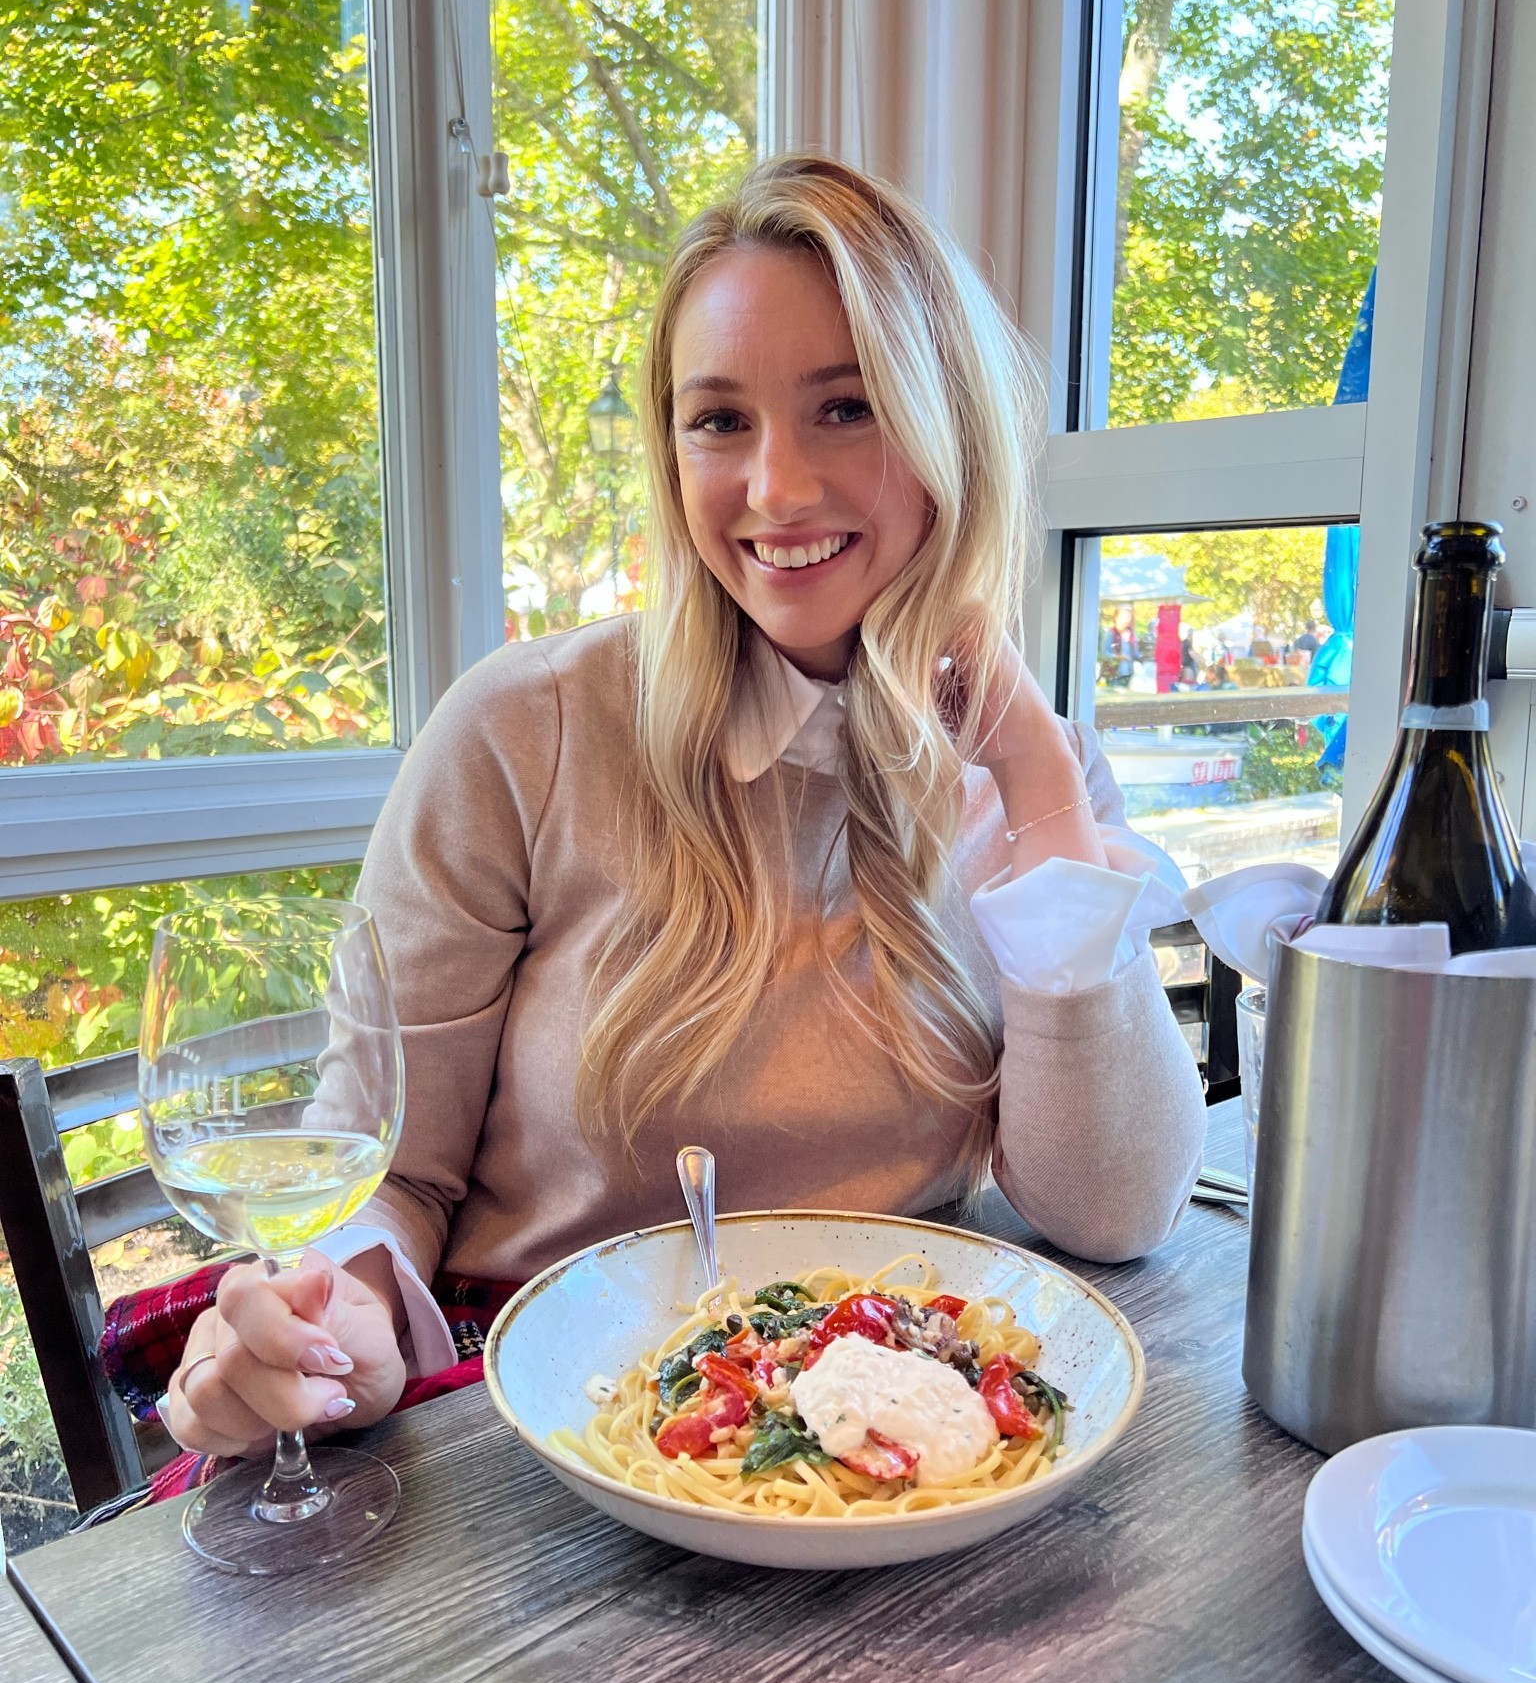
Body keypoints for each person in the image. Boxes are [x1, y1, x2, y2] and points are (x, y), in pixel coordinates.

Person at [162, 155, 1206, 1458]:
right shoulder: (519, 730)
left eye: (849, 406)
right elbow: (391, 1168)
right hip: (536, 1431)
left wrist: (1043, 787)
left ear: (952, 432)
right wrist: (344, 1314)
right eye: (720, 422)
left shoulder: (1032, 767)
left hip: (895, 1425)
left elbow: (1113, 1213)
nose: (775, 489)